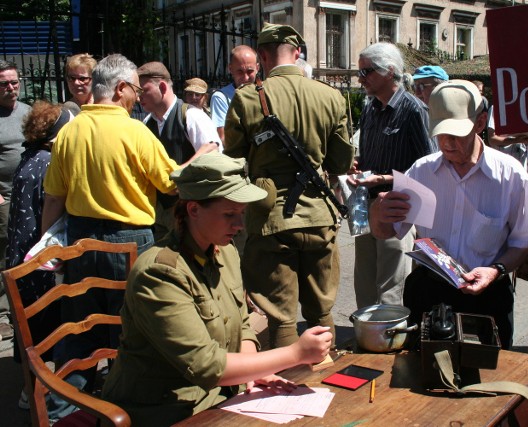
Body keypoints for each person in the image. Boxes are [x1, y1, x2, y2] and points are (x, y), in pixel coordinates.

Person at [101, 152, 332, 426]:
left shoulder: (224, 251)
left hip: (221, 398)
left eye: (242, 214)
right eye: (229, 214)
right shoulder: (159, 273)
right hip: (165, 412)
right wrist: (295, 354)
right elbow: (206, 366)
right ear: (193, 209)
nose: (239, 225)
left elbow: (242, 322)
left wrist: (251, 372)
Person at [41, 55, 187, 418]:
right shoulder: (137, 131)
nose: (138, 98)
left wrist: (48, 246)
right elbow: (171, 184)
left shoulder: (69, 132)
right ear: (120, 88)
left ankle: (61, 412)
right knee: (133, 331)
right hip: (130, 243)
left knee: (78, 328)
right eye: (135, 90)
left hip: (80, 242)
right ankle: (128, 408)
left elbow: (54, 198)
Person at [369, 80, 528, 349]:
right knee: (422, 376)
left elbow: (526, 241)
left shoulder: (510, 175)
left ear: (481, 123)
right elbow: (387, 232)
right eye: (440, 133)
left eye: (457, 134)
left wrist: (496, 270)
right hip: (429, 292)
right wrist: (377, 215)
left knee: (490, 381)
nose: (446, 143)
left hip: (489, 296)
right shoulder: (421, 171)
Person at [224, 23, 353, 348]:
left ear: (263, 56)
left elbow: (233, 157)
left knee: (280, 316)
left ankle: (287, 388)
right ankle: (324, 380)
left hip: (270, 221)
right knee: (321, 312)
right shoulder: (331, 96)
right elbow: (339, 164)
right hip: (320, 217)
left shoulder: (248, 99)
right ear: (297, 53)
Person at [348, 43, 437, 309]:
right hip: (365, 204)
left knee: (391, 285)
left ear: (389, 71)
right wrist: (357, 165)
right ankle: (366, 334)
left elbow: (427, 167)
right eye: (359, 72)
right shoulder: (369, 108)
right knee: (364, 279)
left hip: (397, 207)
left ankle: (390, 338)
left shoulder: (413, 110)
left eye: (366, 72)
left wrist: (383, 179)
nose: (361, 78)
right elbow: (368, 156)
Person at [6, 101, 72, 409]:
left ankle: (28, 388)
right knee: (46, 324)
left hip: (21, 253)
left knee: (28, 323)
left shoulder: (28, 157)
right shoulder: (49, 161)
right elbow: (52, 206)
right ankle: (39, 393)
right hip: (39, 258)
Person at [136, 61, 220, 240]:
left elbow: (215, 162)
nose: (138, 97)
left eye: (143, 90)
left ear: (163, 87)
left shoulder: (191, 116)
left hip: (192, 215)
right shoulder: (146, 125)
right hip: (159, 216)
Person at [0, 59, 31, 342]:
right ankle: (3, 314)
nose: (11, 88)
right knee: (4, 253)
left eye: (14, 82)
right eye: (4, 84)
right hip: (4, 196)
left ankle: (26, 307)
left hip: (29, 193)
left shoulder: (27, 111)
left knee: (27, 249)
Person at [211, 45, 260, 145]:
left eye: (250, 71)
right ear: (230, 69)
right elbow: (223, 138)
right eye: (240, 72)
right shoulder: (221, 98)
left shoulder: (264, 91)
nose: (245, 77)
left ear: (257, 68)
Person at [412, 65, 449, 147]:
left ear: (439, 88)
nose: (417, 93)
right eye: (415, 86)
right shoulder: (413, 115)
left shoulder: (451, 118)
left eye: (422, 86)